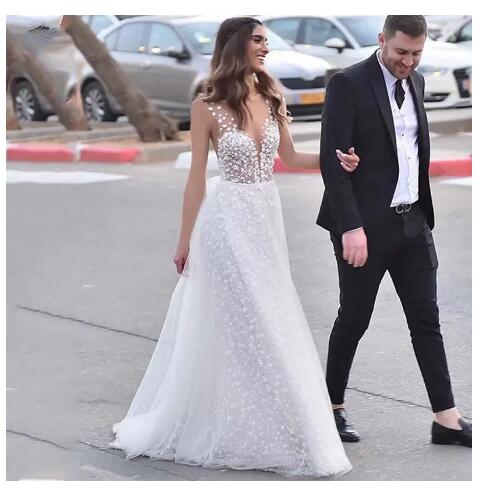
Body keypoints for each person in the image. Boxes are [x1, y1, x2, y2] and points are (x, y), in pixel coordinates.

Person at [110, 17, 359, 477]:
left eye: (266, 40)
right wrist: (185, 239)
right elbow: (196, 179)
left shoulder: (272, 95)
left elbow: (289, 158)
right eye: (258, 40)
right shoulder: (206, 106)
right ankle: (234, 422)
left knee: (270, 315)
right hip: (224, 222)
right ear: (236, 44)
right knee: (249, 320)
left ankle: (272, 421)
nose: (265, 46)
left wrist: (336, 161)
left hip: (265, 221)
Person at [317, 15, 471, 447]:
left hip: (413, 221)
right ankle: (331, 407)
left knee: (426, 319)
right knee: (355, 317)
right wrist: (351, 228)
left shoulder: (415, 81)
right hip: (365, 226)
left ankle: (446, 418)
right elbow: (333, 161)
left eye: (417, 54)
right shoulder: (348, 84)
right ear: (382, 39)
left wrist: (418, 211)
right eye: (402, 52)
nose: (408, 61)